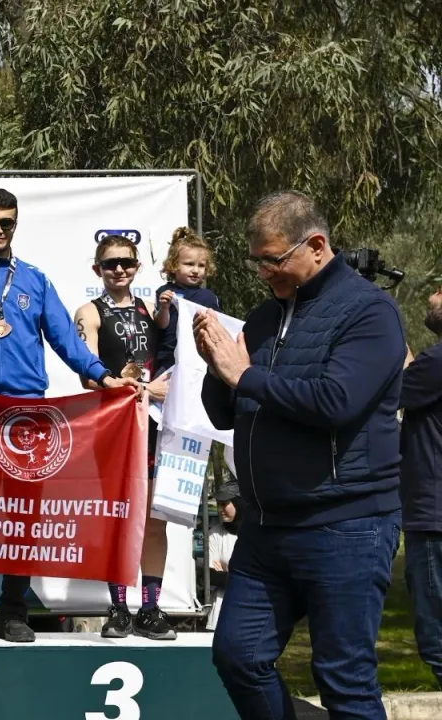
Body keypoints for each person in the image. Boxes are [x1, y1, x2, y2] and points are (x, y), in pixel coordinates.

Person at [198, 190, 405, 719]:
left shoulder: (370, 312)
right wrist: (217, 368)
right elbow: (224, 413)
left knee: (344, 679)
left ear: (315, 245)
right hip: (267, 527)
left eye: (273, 259)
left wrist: (244, 375)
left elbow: (337, 402)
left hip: (346, 525)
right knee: (238, 656)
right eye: (257, 261)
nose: (263, 272)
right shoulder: (264, 318)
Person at [0, 188, 139, 644]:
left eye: (6, 222)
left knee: (22, 517)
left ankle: (15, 611)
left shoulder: (35, 281)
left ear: (15, 226)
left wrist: (101, 375)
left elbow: (65, 339)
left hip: (27, 414)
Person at [72, 234, 174, 640]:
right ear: (97, 269)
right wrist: (145, 389)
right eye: (110, 263)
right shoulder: (89, 312)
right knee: (118, 520)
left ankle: (150, 608)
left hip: (153, 426)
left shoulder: (152, 310)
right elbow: (88, 376)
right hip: (113, 427)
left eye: (126, 263)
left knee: (154, 521)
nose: (118, 270)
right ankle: (118, 608)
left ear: (137, 267)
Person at [399, 285, 442, 688]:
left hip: (434, 520)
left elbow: (393, 390)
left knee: (437, 639)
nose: (432, 295)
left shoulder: (438, 361)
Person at [153, 228, 221, 376]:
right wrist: (164, 307)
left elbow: (217, 329)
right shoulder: (164, 292)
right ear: (173, 265)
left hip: (198, 360)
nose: (196, 270)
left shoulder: (209, 297)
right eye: (189, 264)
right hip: (168, 359)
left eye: (201, 265)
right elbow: (161, 325)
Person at [205, 479, 240, 632]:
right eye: (219, 504)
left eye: (225, 504)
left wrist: (226, 575)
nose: (220, 509)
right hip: (220, 610)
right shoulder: (215, 533)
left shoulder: (256, 534)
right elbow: (210, 576)